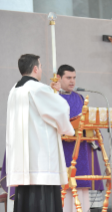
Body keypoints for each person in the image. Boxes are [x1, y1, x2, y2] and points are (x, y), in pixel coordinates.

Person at [6, 54, 75, 212]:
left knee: (27, 197)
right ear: (35, 68)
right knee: (43, 199)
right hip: (40, 155)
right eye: (41, 66)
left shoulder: (15, 90)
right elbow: (60, 109)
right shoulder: (37, 88)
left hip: (23, 157)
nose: (42, 69)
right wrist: (55, 93)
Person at [57, 65, 104, 211]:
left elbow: (87, 120)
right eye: (68, 78)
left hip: (81, 149)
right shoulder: (54, 97)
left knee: (81, 187)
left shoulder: (79, 97)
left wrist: (94, 134)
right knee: (66, 186)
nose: (72, 81)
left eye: (74, 78)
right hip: (64, 148)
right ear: (58, 78)